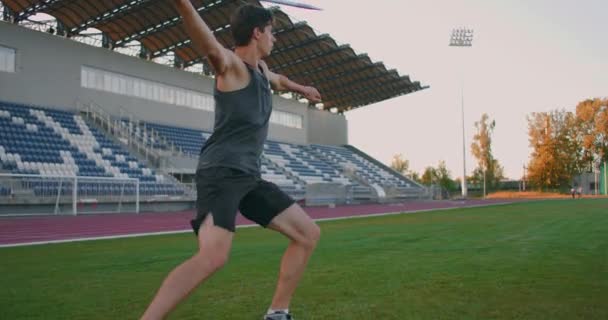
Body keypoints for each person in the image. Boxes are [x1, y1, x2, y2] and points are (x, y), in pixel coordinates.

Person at [140, 1, 322, 320]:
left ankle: (277, 313)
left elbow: (278, 80)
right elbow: (211, 47)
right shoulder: (233, 68)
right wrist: (183, 4)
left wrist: (302, 88)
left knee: (308, 234)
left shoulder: (263, 72)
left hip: (249, 177)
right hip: (221, 173)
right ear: (257, 33)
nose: (274, 39)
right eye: (271, 32)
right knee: (213, 257)